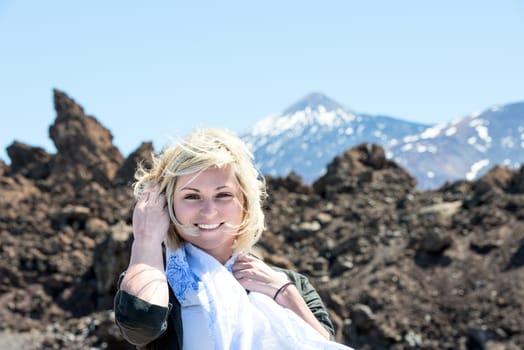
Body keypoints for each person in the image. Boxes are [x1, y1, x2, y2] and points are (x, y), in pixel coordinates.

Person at [113, 127, 353, 349]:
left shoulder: (291, 283)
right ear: (168, 205)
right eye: (191, 196)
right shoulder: (158, 281)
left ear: (245, 203)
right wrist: (146, 241)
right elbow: (140, 326)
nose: (208, 211)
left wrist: (284, 293)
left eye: (224, 195)